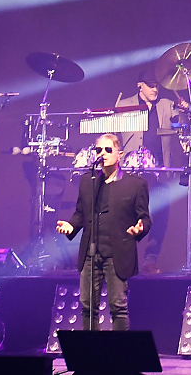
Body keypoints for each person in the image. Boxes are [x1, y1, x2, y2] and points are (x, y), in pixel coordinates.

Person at [57, 134, 149, 331]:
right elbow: (81, 213)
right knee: (88, 307)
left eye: (108, 150)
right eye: (99, 150)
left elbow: (145, 218)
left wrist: (139, 227)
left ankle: (117, 350)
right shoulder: (87, 182)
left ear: (119, 154)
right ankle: (93, 349)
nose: (103, 154)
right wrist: (71, 226)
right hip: (90, 253)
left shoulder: (135, 184)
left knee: (118, 306)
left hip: (117, 254)